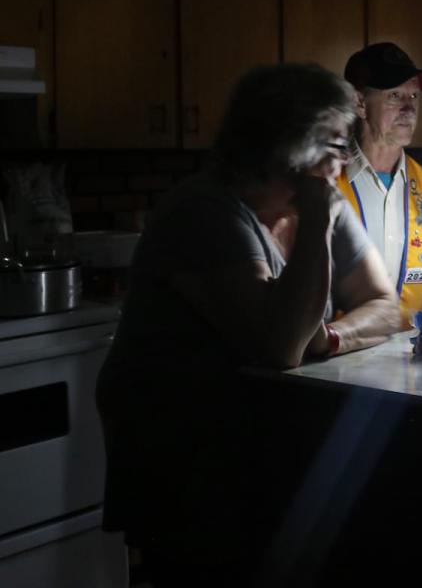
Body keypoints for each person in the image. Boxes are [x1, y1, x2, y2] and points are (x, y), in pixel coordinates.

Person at [96, 63, 402, 586]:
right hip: (185, 461)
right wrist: (318, 224)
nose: (342, 159)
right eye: (332, 142)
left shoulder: (314, 201)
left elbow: (385, 305)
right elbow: (279, 346)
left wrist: (328, 338)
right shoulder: (206, 211)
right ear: (285, 141)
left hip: (257, 460)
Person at [339, 42, 422, 320]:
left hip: (414, 353)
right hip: (336, 356)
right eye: (395, 95)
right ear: (359, 103)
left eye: (414, 96)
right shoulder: (326, 182)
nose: (409, 108)